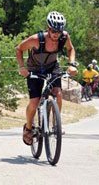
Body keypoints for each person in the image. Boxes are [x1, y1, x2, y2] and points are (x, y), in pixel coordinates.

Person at [16, 11, 78, 145]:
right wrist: (22, 67)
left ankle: (56, 125)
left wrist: (72, 64)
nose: (56, 34)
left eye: (59, 31)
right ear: (48, 28)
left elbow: (71, 49)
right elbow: (19, 49)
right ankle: (28, 128)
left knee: (58, 94)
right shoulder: (36, 39)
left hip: (52, 67)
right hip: (34, 69)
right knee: (34, 102)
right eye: (54, 31)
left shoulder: (64, 37)